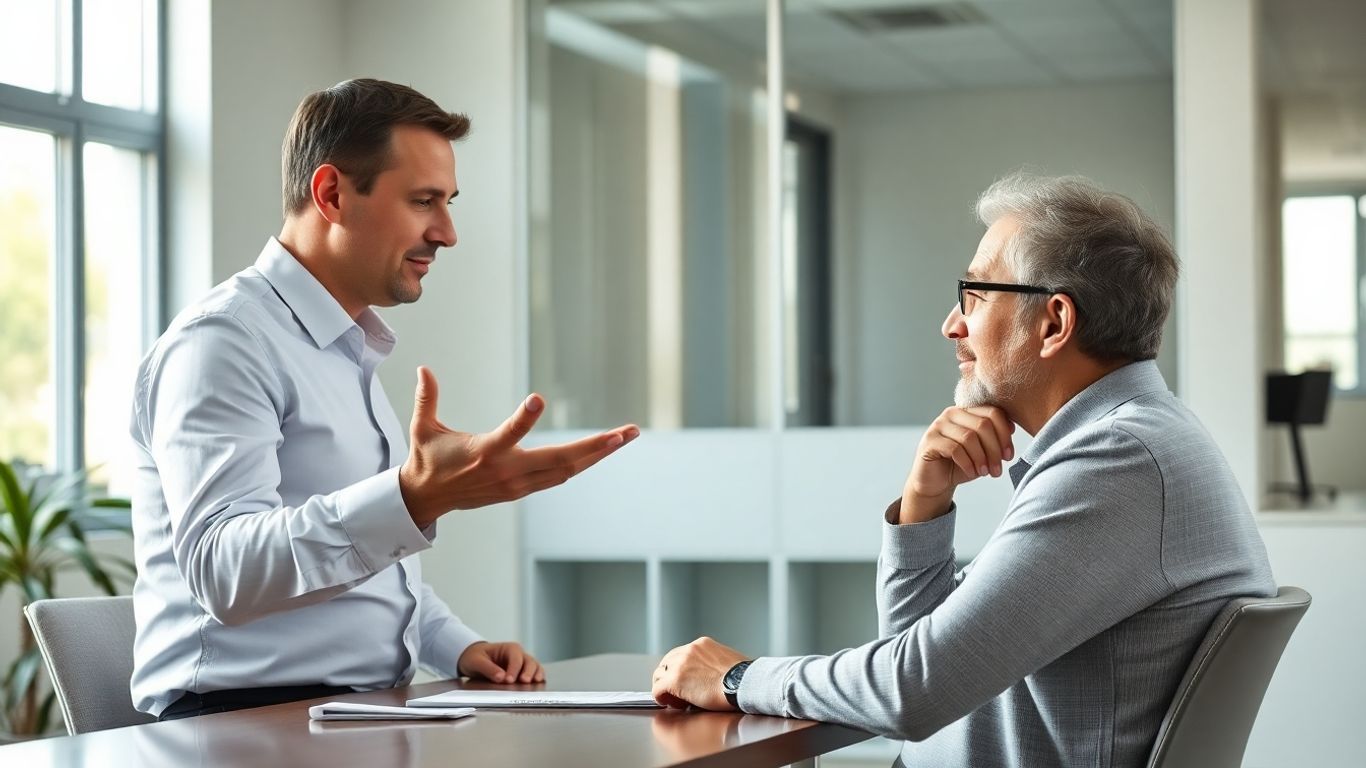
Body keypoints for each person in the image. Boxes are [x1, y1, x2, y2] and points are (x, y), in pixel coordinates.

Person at [650, 173, 1276, 767]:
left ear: (1053, 321)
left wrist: (737, 679)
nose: (952, 324)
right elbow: (921, 654)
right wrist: (924, 505)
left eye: (974, 295)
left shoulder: (1116, 461)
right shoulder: (1128, 442)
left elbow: (910, 690)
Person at [129, 78, 639, 720]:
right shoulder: (224, 344)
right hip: (236, 719)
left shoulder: (343, 346)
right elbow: (223, 571)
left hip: (358, 712)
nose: (448, 232)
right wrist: (413, 496)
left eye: (448, 202)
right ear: (333, 194)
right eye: (425, 201)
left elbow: (360, 567)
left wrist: (455, 646)